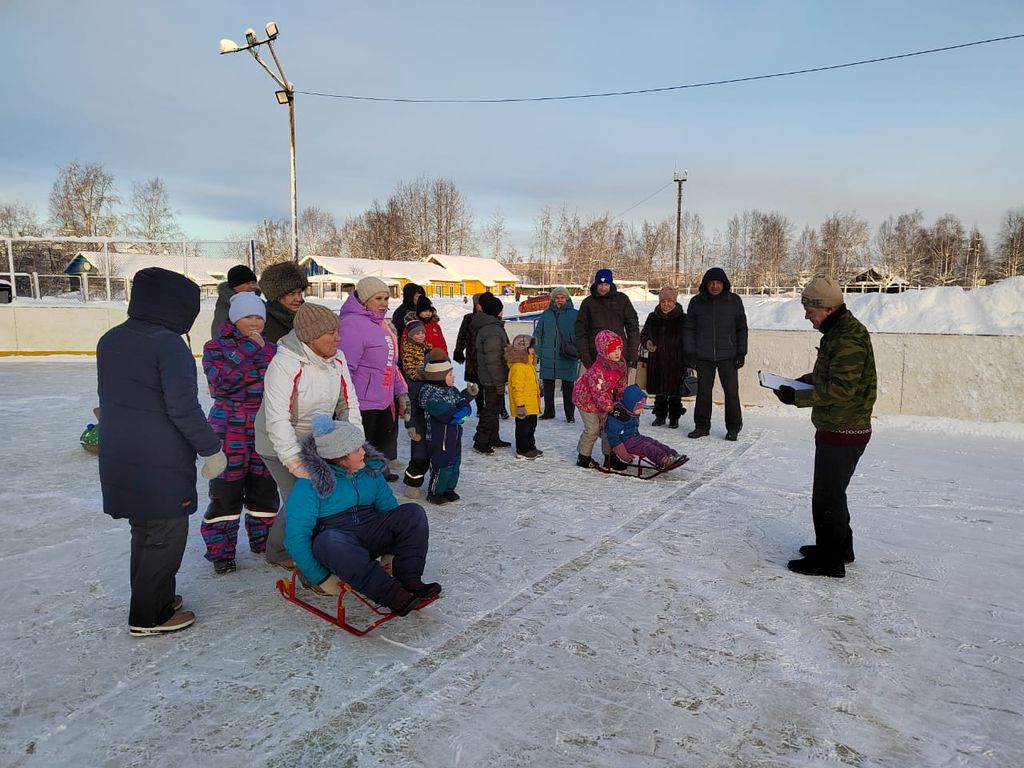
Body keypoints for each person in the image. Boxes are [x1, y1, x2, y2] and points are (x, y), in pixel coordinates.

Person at [97, 267, 225, 637]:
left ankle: (157, 599)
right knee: (165, 535)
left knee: (145, 533)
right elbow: (183, 408)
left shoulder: (112, 338)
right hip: (159, 460)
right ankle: (149, 616)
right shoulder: (168, 344)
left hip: (120, 453)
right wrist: (211, 449)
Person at [284, 415, 441, 616]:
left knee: (412, 513)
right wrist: (320, 577)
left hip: (369, 532)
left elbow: (390, 510)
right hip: (337, 546)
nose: (363, 453)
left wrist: (392, 552)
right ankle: (391, 595)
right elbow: (296, 537)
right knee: (330, 540)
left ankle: (409, 579)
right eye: (356, 450)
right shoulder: (309, 484)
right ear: (339, 457)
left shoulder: (369, 471)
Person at [774, 277, 877, 578]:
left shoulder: (847, 337)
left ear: (827, 307)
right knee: (834, 493)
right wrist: (799, 383)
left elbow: (843, 389)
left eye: (809, 309)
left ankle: (830, 561)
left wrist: (799, 398)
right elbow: (829, 374)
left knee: (827, 496)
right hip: (839, 425)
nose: (807, 316)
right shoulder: (838, 332)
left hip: (844, 428)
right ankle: (840, 548)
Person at [255, 301, 362, 569]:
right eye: (331, 333)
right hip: (275, 440)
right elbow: (276, 417)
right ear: (311, 337)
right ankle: (279, 551)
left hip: (315, 438)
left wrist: (353, 443)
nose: (338, 337)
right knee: (300, 498)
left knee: (319, 495)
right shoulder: (286, 363)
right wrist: (293, 460)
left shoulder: (337, 357)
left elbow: (348, 403)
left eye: (337, 330)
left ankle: (314, 543)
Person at [200, 291, 279, 574]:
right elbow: (219, 385)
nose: (255, 322)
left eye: (259, 316)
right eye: (248, 317)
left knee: (265, 491)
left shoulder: (273, 350)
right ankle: (221, 553)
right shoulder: (215, 348)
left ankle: (264, 541)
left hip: (263, 427)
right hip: (227, 428)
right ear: (235, 319)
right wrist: (248, 349)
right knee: (225, 492)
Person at [338, 276, 409, 481]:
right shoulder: (352, 324)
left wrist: (400, 390)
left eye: (386, 298)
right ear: (364, 300)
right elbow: (346, 369)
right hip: (363, 404)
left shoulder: (381, 324)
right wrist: (345, 404)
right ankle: (361, 488)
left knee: (380, 448)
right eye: (378, 298)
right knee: (361, 452)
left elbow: (390, 362)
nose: (384, 303)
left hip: (383, 400)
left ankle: (376, 480)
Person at [683, 267, 748, 441]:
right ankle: (702, 426)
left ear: (724, 284)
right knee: (704, 392)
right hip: (703, 356)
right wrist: (690, 352)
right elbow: (689, 328)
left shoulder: (734, 301)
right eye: (711, 283)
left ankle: (733, 427)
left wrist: (741, 352)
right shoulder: (696, 302)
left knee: (732, 393)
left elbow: (741, 328)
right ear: (706, 284)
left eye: (718, 283)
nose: (715, 286)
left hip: (728, 355)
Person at [418, 349, 477, 504]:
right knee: (442, 464)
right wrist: (461, 414)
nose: (454, 377)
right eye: (450, 375)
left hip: (454, 434)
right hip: (439, 437)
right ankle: (435, 493)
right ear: (439, 377)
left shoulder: (451, 390)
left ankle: (449, 489)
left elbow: (461, 402)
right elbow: (449, 415)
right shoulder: (429, 394)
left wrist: (468, 396)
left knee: (455, 462)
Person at [572, 329, 628, 469]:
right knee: (593, 429)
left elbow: (621, 385)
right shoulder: (598, 369)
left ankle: (610, 457)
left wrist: (621, 403)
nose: (617, 353)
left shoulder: (620, 365)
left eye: (619, 349)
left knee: (608, 428)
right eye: (612, 350)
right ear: (603, 350)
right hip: (585, 399)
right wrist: (611, 409)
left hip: (604, 399)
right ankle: (583, 457)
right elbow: (598, 393)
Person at [575, 268, 640, 372]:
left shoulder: (622, 300)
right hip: (595, 356)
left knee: (619, 387)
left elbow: (632, 327)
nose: (603, 288)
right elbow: (581, 332)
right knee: (598, 387)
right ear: (596, 285)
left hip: (619, 355)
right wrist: (585, 356)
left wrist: (632, 351)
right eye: (600, 285)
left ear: (610, 284)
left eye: (606, 284)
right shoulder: (588, 303)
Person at [640, 287, 688, 428]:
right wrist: (647, 343)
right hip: (657, 360)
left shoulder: (683, 319)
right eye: (663, 301)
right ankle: (660, 416)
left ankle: (674, 417)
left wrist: (686, 357)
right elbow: (643, 335)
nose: (666, 304)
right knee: (659, 391)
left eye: (669, 301)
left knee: (675, 392)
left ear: (674, 302)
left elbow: (689, 339)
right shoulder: (652, 317)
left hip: (676, 360)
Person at [606, 385, 685, 469]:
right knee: (646, 446)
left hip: (634, 437)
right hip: (624, 442)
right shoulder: (618, 416)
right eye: (638, 408)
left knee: (652, 441)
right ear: (630, 404)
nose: (641, 411)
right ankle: (664, 460)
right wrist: (623, 454)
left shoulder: (631, 411)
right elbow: (613, 438)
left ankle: (672, 454)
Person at [472, 292, 511, 454]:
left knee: (494, 408)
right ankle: (480, 439)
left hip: (491, 376)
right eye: (501, 309)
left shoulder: (491, 327)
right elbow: (493, 359)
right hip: (493, 377)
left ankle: (493, 437)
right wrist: (498, 381)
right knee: (490, 409)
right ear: (496, 311)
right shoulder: (493, 330)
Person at [534, 286, 579, 423]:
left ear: (567, 299)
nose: (560, 300)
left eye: (562, 298)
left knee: (568, 387)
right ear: (553, 299)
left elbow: (580, 334)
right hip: (548, 355)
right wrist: (538, 350)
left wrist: (576, 347)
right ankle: (549, 411)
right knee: (548, 386)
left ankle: (569, 414)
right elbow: (538, 334)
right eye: (557, 298)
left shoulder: (575, 314)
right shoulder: (546, 314)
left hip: (566, 355)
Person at [399, 319, 431, 499]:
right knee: (419, 454)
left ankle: (437, 484)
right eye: (416, 333)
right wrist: (410, 425)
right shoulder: (413, 384)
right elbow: (409, 405)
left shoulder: (429, 347)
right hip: (418, 423)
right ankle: (412, 483)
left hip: (434, 424)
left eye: (422, 333)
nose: (420, 335)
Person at [506, 334, 543, 459]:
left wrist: (539, 389)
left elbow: (532, 382)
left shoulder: (529, 364)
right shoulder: (518, 367)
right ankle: (522, 450)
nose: (533, 350)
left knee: (531, 427)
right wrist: (520, 405)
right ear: (524, 349)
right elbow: (517, 388)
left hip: (532, 403)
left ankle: (531, 446)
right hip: (523, 405)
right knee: (523, 429)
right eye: (531, 347)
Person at [259, 261, 309, 343]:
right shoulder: (263, 324)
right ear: (277, 296)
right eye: (291, 294)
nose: (298, 298)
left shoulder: (310, 316)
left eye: (300, 292)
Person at [452, 293, 485, 414]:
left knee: (491, 384)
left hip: (487, 356)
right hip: (473, 356)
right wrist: (459, 351)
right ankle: (480, 408)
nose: (480, 307)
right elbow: (462, 336)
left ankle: (500, 408)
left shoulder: (491, 319)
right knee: (477, 383)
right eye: (478, 304)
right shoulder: (468, 318)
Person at [210, 264, 260, 338]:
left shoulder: (257, 303)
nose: (252, 286)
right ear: (235, 286)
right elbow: (219, 336)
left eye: (254, 283)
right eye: (247, 283)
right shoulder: (226, 307)